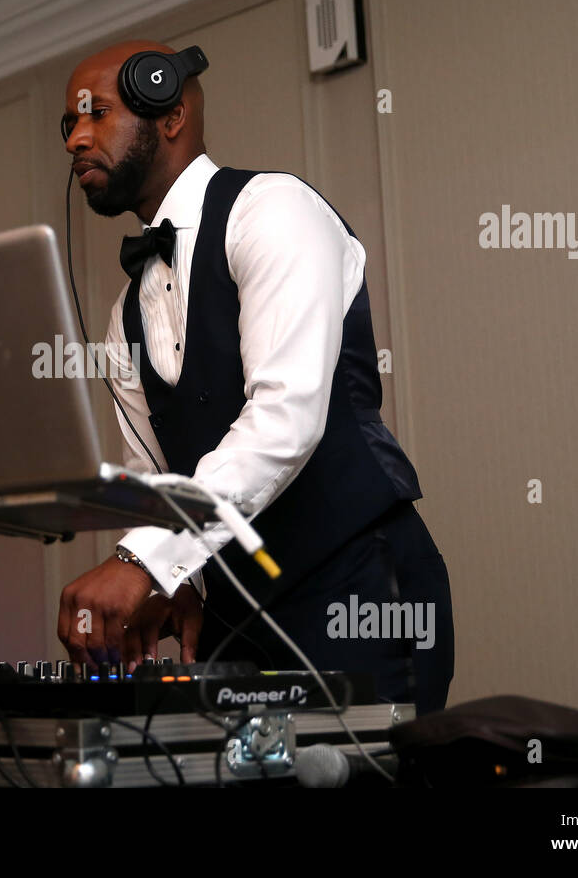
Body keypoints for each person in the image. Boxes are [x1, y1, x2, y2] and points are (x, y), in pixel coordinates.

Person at [54, 40, 454, 712]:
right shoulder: (123, 310)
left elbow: (284, 420)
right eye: (68, 123)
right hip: (232, 615)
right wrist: (172, 581)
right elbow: (155, 476)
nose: (76, 139)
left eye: (95, 114)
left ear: (170, 112)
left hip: (355, 588)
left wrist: (139, 562)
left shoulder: (272, 210)